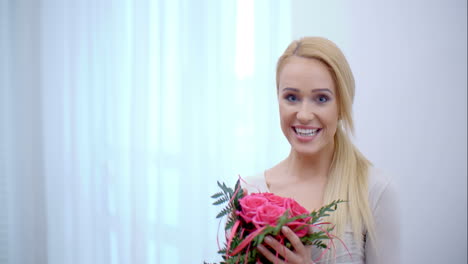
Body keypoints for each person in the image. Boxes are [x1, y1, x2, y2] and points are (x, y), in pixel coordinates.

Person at [242, 37, 400, 263]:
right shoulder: (248, 192)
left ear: (342, 106)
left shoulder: (375, 192)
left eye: (321, 98)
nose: (304, 114)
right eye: (292, 97)